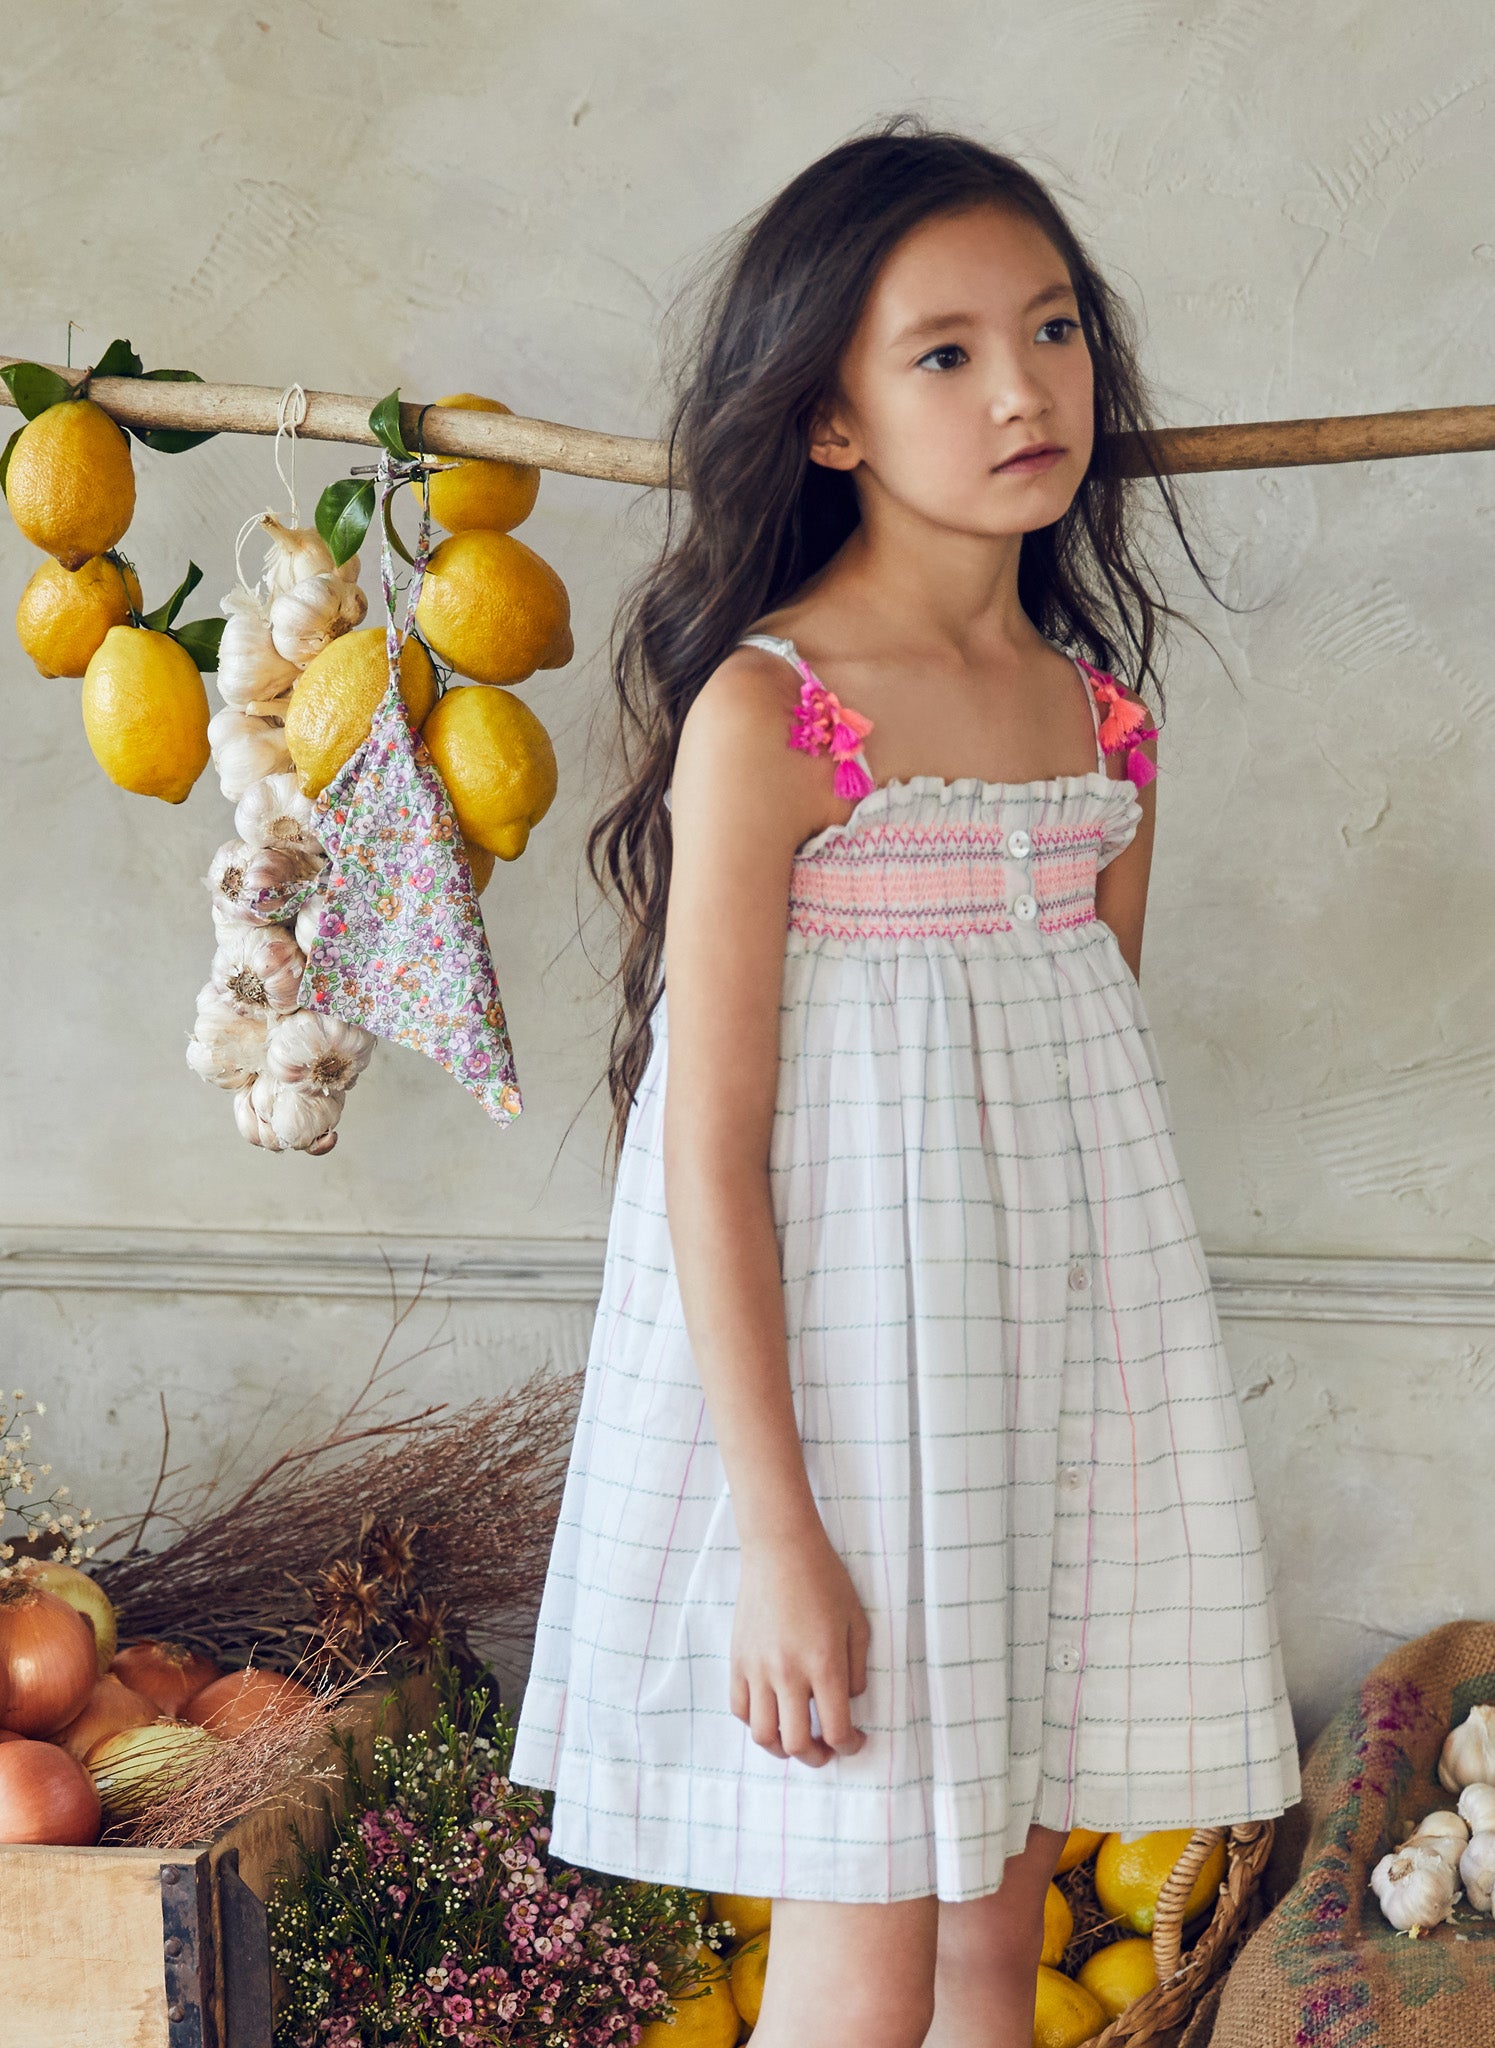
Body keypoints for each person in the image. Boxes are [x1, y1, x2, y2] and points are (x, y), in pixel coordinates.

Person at [508, 117, 1300, 2048]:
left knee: (990, 1952)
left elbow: (1085, 1130)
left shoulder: (1099, 721)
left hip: (1024, 1417)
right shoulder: (778, 714)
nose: (1023, 390)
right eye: (945, 352)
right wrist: (782, 1539)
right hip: (839, 1427)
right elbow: (708, 1152)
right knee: (856, 1974)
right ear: (831, 419)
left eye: (1053, 330)